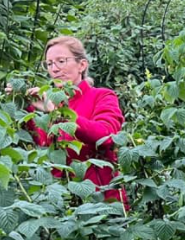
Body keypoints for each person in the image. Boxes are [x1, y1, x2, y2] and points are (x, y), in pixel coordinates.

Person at [24, 36, 128, 210]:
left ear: (82, 65)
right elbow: (39, 146)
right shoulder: (46, 104)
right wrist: (20, 103)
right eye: (49, 64)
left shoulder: (102, 96)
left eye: (61, 61)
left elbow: (106, 136)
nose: (55, 69)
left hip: (101, 201)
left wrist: (58, 113)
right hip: (60, 204)